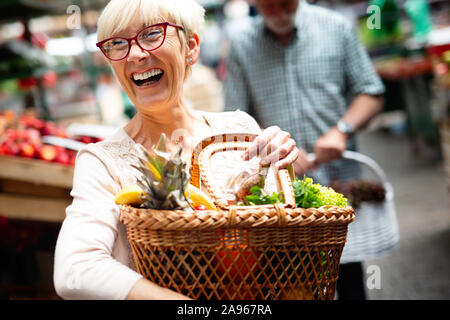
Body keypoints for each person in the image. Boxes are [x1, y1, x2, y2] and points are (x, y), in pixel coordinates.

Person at [53, 0, 299, 300]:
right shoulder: (101, 162)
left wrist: (282, 167)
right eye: (118, 43)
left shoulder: (239, 129)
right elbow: (75, 270)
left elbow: (284, 238)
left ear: (191, 47)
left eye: (152, 34)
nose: (136, 54)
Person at [224, 0, 385, 300]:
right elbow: (233, 120)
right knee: (290, 286)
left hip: (340, 185)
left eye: (285, 3)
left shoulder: (335, 27)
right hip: (279, 198)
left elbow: (371, 91)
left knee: (349, 280)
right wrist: (274, 154)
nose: (279, 12)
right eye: (268, 6)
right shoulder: (242, 44)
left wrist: (342, 131)